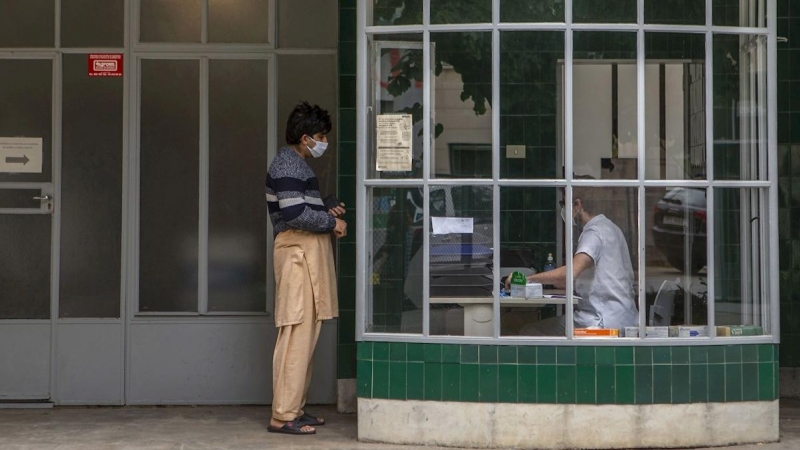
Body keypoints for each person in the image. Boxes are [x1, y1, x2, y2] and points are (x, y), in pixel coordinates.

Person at [265, 102, 347, 435]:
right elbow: (294, 215)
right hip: (297, 254)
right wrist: (330, 222)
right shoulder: (288, 164)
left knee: (307, 334)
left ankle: (295, 408)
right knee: (296, 332)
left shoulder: (297, 165)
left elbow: (298, 205)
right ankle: (283, 414)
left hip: (305, 254)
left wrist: (324, 204)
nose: (323, 141)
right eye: (320, 136)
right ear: (304, 137)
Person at [506, 186, 638, 336]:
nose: (563, 210)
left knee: (529, 331)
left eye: (563, 204)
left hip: (601, 323)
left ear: (578, 205)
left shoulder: (594, 233)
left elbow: (571, 272)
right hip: (624, 318)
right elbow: (594, 276)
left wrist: (526, 279)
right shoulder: (611, 228)